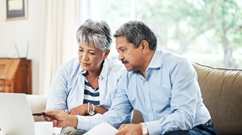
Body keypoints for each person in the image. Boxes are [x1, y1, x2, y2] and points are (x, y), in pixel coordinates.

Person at [43, 21, 218, 135]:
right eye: (118, 51)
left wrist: (143, 128)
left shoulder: (178, 66)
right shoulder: (126, 77)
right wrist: (70, 120)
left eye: (123, 50)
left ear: (143, 46)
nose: (119, 58)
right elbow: (114, 117)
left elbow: (183, 118)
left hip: (197, 130)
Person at [45, 19, 126, 134]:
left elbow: (120, 117)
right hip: (73, 130)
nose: (84, 58)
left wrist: (89, 108)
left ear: (106, 54)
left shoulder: (120, 74)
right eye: (81, 50)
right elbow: (54, 114)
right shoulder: (66, 71)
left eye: (91, 53)